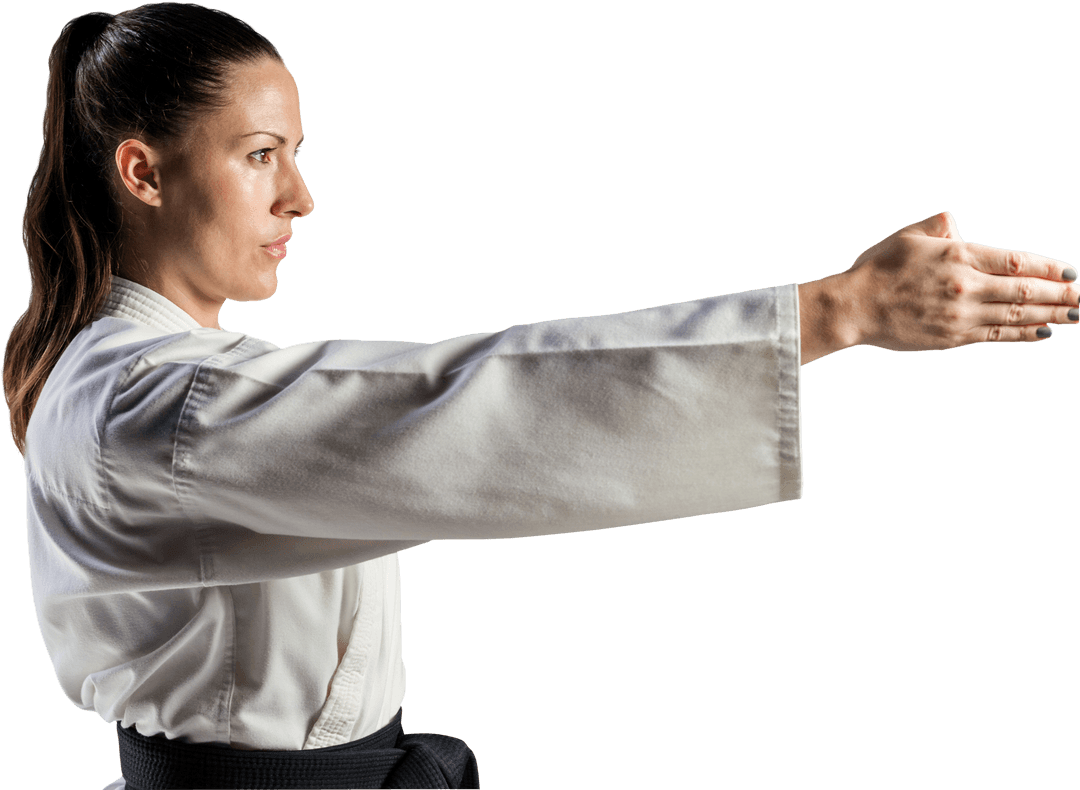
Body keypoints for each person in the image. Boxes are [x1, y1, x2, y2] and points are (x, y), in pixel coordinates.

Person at [4, 4, 1077, 790]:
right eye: (261, 155)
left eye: (295, 153)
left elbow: (433, 429)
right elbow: (464, 414)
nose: (301, 195)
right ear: (143, 173)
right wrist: (837, 312)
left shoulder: (174, 378)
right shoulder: (150, 405)